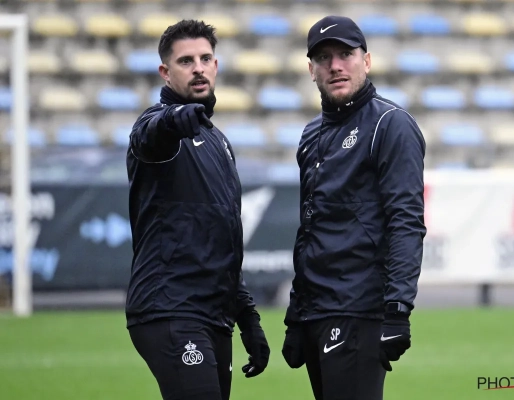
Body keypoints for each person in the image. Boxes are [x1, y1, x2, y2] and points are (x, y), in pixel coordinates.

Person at [281, 15, 427, 400]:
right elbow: (310, 229)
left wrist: (398, 308)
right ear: (311, 70)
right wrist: (297, 313)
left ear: (367, 60)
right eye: (323, 57)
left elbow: (406, 221)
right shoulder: (311, 134)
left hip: (359, 309)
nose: (335, 65)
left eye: (345, 54)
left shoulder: (390, 124)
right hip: (317, 310)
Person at [125, 19, 270, 400]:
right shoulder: (160, 127)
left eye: (206, 59)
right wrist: (174, 119)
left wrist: (247, 316)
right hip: (170, 307)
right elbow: (148, 136)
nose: (198, 68)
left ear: (216, 66)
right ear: (165, 72)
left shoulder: (218, 141)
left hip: (213, 314)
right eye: (186, 61)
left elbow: (222, 240)